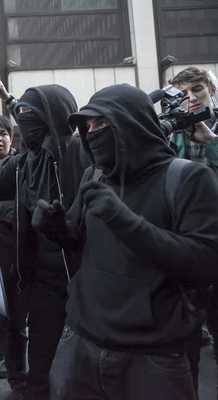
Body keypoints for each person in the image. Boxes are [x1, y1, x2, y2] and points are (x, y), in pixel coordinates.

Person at [32, 83, 218, 399]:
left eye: (100, 123)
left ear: (132, 124)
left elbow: (205, 264)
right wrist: (55, 229)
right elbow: (79, 239)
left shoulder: (188, 178)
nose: (90, 134)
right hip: (80, 343)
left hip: (153, 355)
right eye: (86, 126)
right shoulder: (94, 175)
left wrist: (126, 222)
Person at [0, 79, 88, 400]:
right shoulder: (22, 163)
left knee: (86, 368)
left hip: (86, 275)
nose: (24, 126)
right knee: (39, 367)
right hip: (42, 280)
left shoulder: (83, 155)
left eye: (32, 118)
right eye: (21, 118)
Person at [167, 66, 218, 396]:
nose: (191, 98)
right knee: (186, 347)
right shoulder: (171, 135)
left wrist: (210, 141)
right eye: (183, 93)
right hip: (186, 243)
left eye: (197, 89)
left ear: (211, 90)